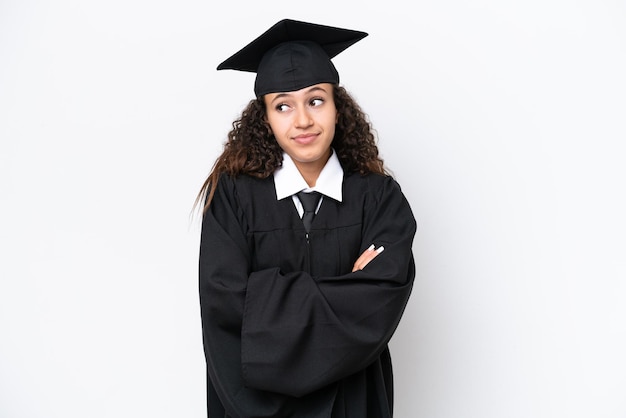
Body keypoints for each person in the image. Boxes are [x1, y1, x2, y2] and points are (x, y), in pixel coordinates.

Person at [196, 18, 417, 418]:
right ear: (265, 118)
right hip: (255, 407)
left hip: (353, 404)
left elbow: (377, 306)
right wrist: (344, 292)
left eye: (316, 100)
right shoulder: (234, 197)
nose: (302, 121)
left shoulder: (380, 199)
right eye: (283, 105)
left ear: (338, 107)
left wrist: (264, 302)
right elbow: (225, 309)